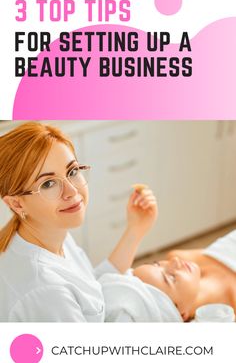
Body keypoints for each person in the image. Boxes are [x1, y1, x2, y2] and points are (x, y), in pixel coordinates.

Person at [0, 122, 158, 322]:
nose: (72, 191)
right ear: (16, 203)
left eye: (72, 172)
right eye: (48, 184)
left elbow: (92, 288)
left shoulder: (49, 233)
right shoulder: (47, 292)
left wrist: (136, 229)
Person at [133, 233, 236, 321]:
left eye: (157, 264)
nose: (175, 260)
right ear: (181, 314)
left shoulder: (186, 258)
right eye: (172, 278)